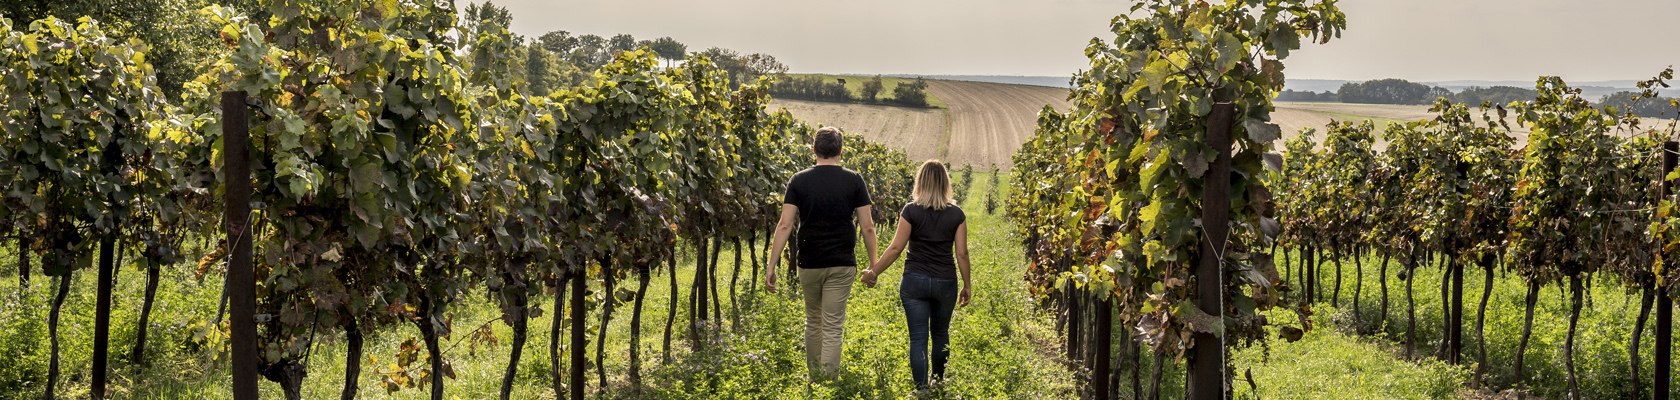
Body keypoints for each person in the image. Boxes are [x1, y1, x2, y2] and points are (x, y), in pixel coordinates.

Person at [764, 126, 879, 381]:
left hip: (809, 261)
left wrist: (771, 265)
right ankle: (829, 383)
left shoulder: (798, 180)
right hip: (841, 263)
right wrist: (874, 265)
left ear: (814, 150)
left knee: (813, 320)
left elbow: (785, 225)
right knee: (833, 325)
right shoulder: (854, 180)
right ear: (840, 150)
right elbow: (868, 226)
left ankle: (815, 379)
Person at [861, 160, 971, 390]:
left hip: (914, 281)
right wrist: (967, 284)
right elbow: (961, 253)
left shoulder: (911, 210)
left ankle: (921, 389)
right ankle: (938, 381)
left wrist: (873, 272)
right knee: (941, 332)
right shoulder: (957, 215)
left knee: (918, 338)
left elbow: (895, 248)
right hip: (945, 281)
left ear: (920, 181)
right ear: (945, 183)